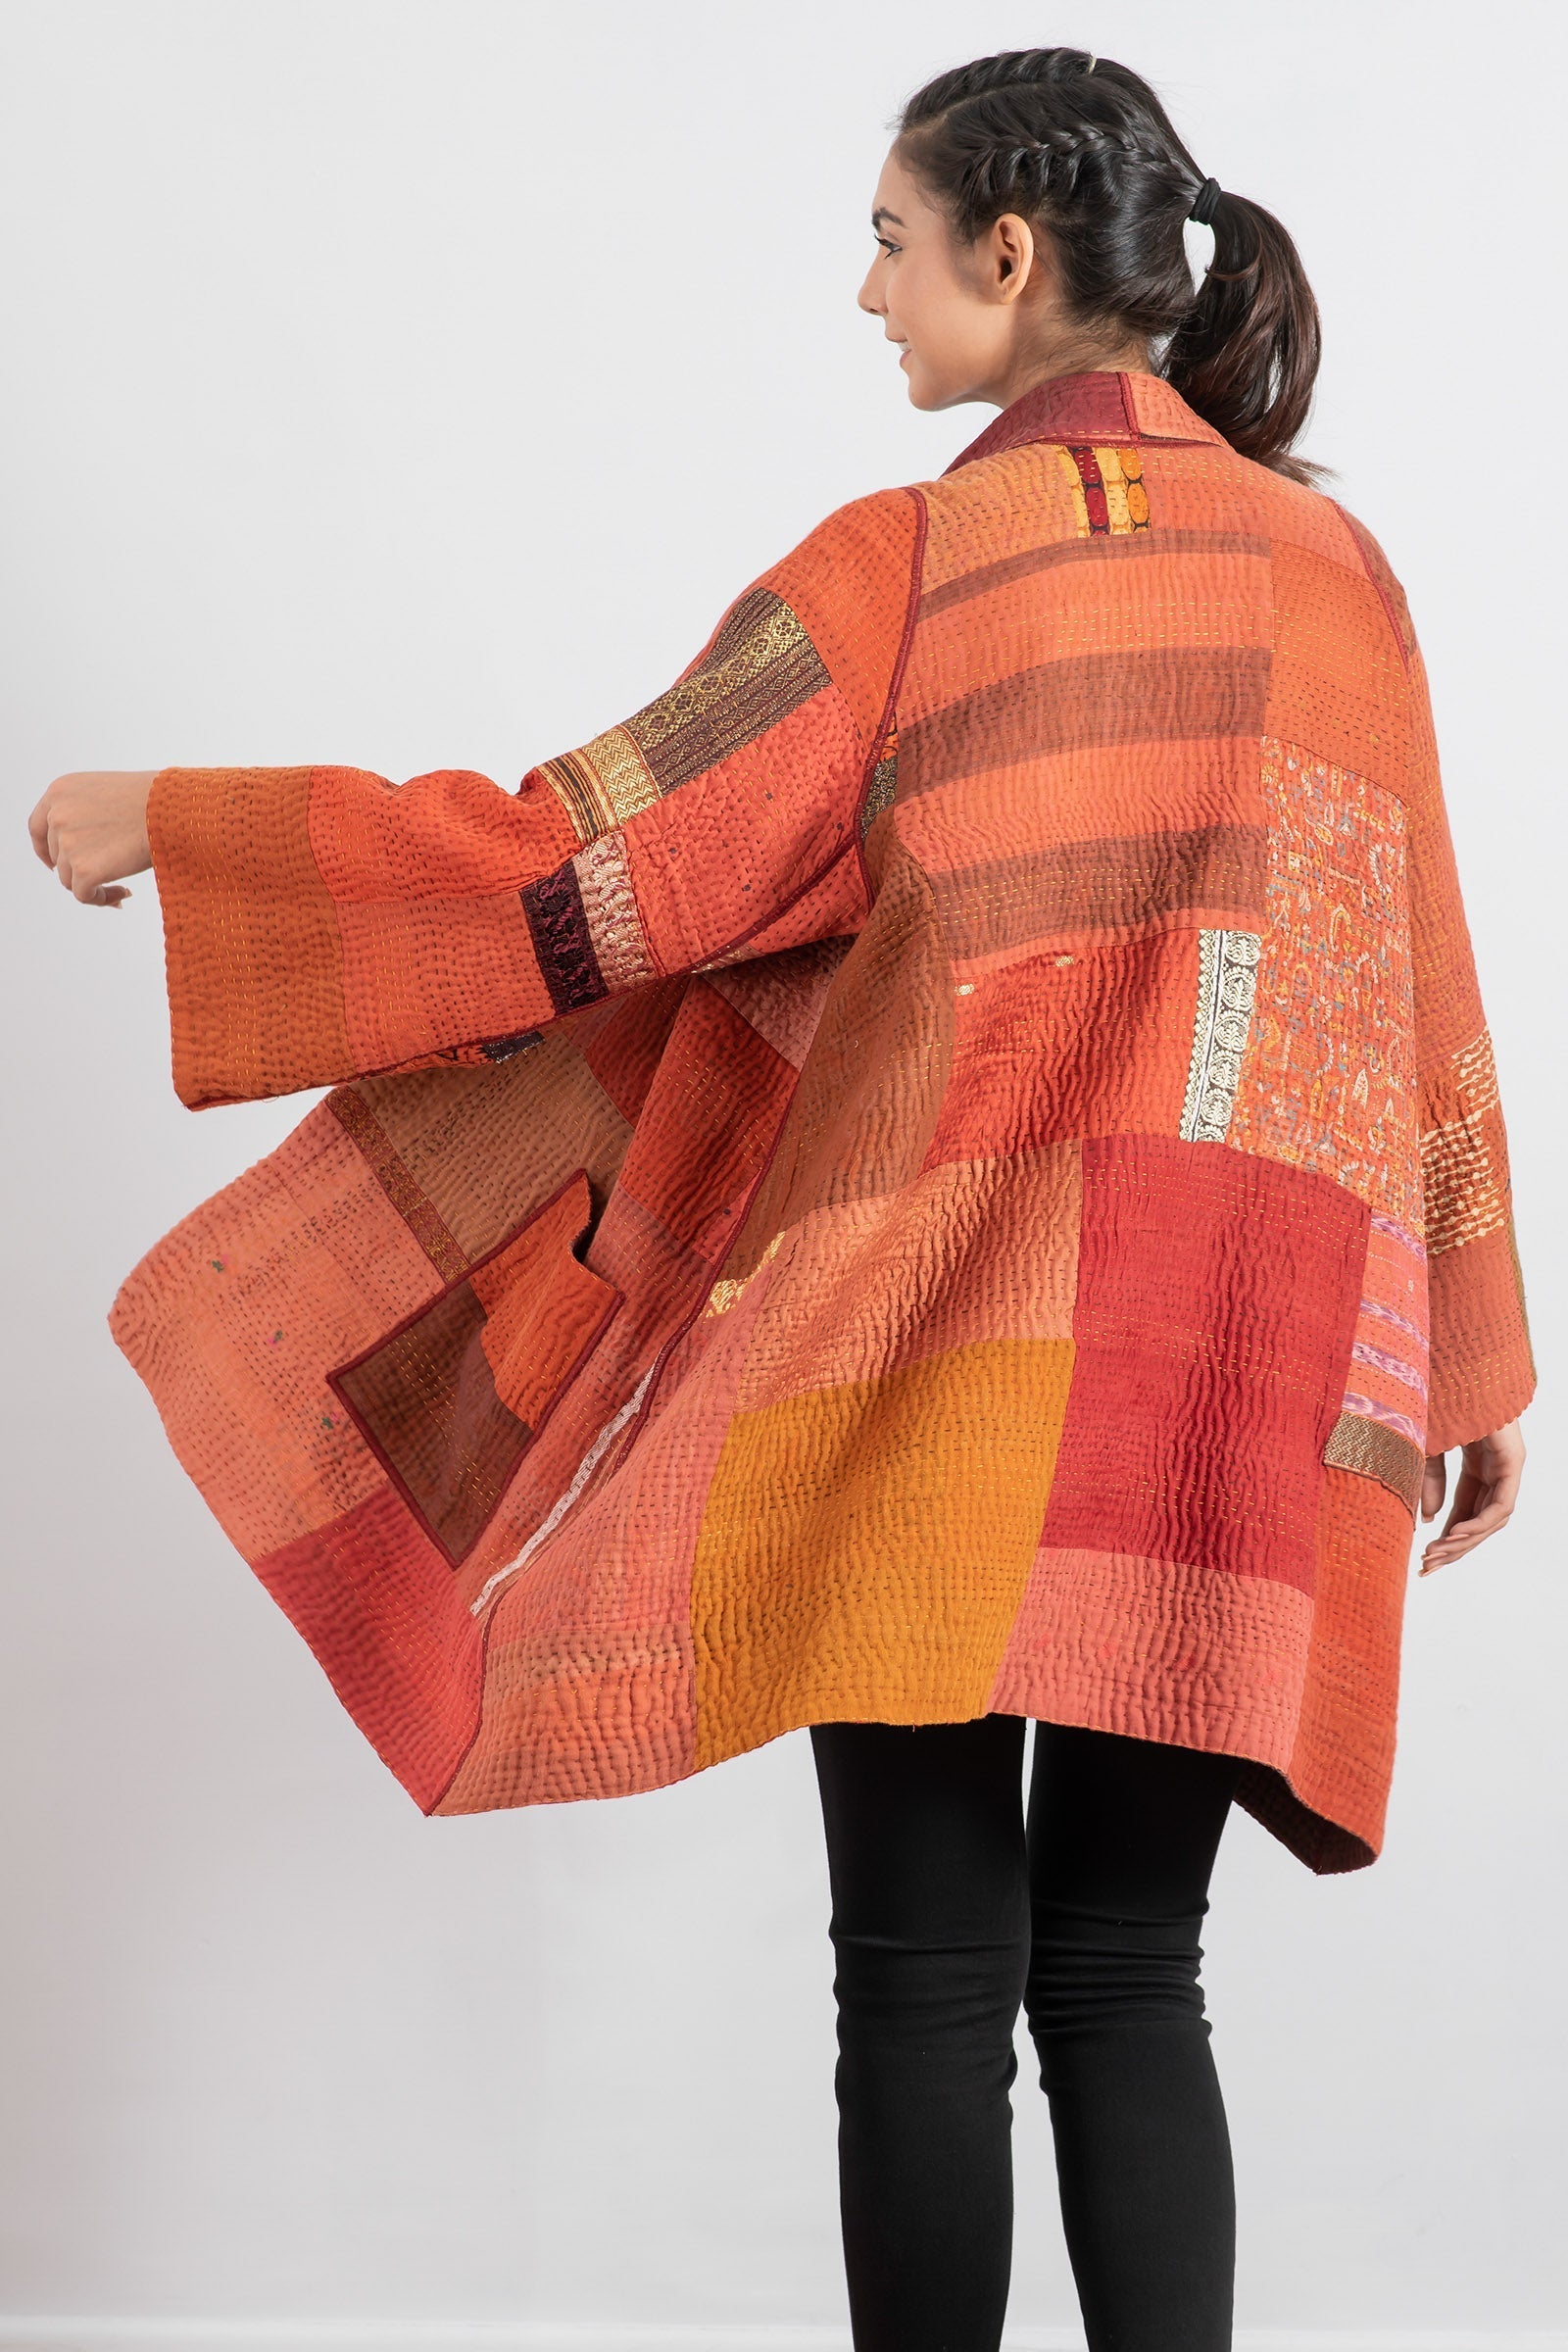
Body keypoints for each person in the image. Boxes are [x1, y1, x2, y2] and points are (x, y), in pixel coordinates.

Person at [28, 43, 1533, 2352]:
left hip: (927, 1359)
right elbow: (1415, 977)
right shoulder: (1339, 579)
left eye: (889, 241)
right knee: (1131, 1975)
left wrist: (188, 819)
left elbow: (583, 871)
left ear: (1006, 256)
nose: (863, 293)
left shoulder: (904, 573)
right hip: (1240, 1357)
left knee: (920, 1977)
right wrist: (1460, 1348)